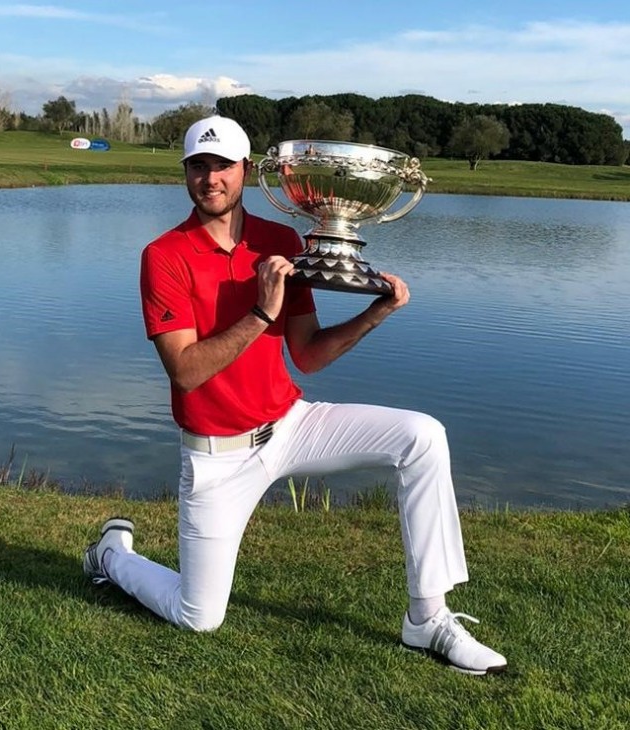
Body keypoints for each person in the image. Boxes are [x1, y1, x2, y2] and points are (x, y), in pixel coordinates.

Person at [83, 115, 507, 676]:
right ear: (186, 173)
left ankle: (427, 618)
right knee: (198, 615)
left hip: (290, 425)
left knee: (423, 437)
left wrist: (375, 312)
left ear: (245, 170)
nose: (211, 179)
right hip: (217, 455)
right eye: (199, 166)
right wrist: (262, 310)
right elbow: (185, 371)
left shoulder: (281, 241)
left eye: (222, 166)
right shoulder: (164, 255)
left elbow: (306, 354)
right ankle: (112, 555)